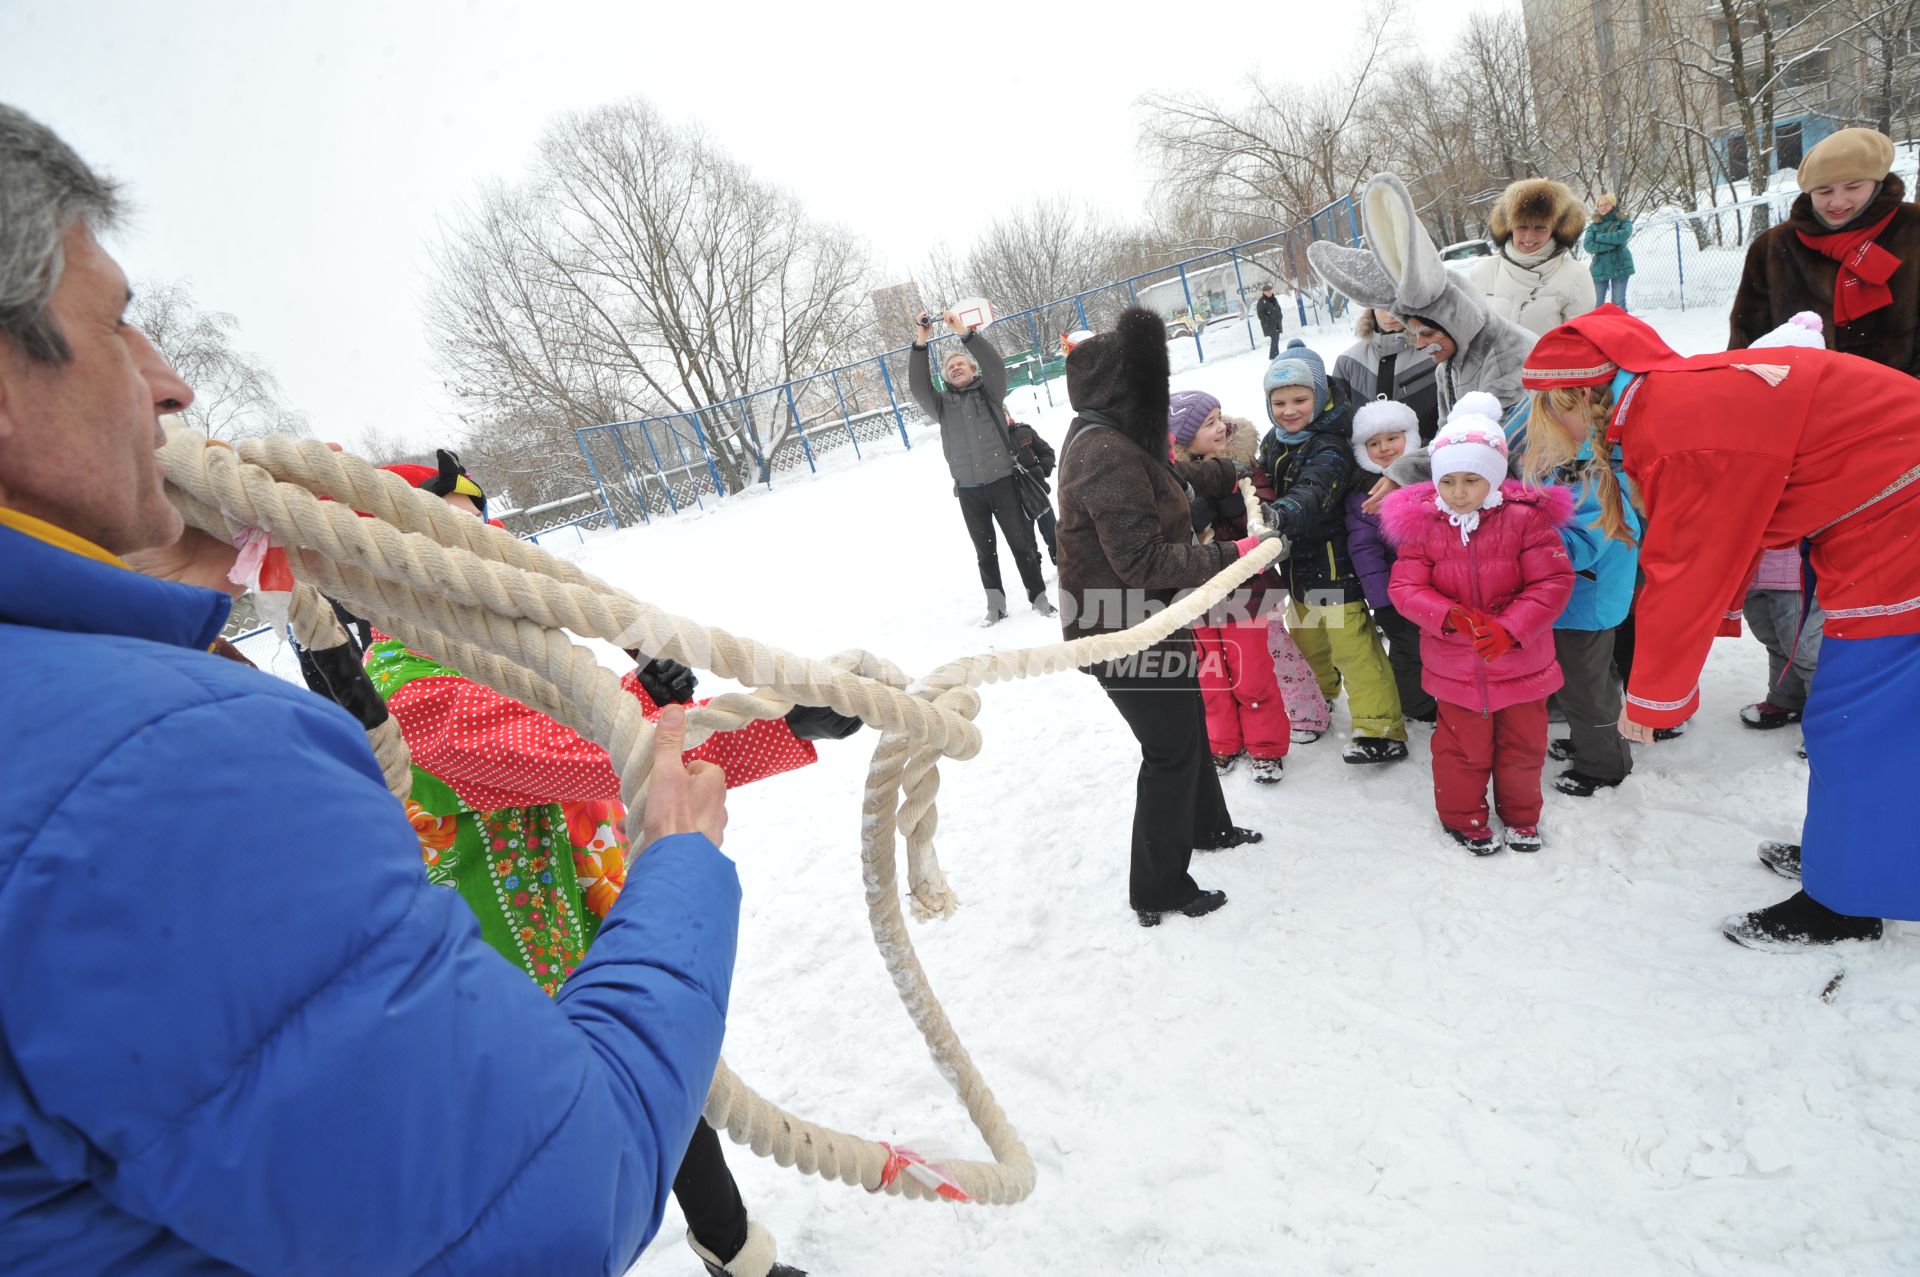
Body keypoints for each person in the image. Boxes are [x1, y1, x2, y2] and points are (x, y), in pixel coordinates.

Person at [0, 103, 735, 1274]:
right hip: (526, 965)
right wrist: (699, 820)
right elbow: (558, 759)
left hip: (550, 956)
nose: (169, 379)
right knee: (645, 1101)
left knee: (667, 1097)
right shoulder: (260, 735)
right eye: (119, 327)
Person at [355, 459, 842, 1277]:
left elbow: (580, 715)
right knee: (549, 1159)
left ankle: (733, 1252)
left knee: (667, 1089)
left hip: (592, 918)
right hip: (506, 978)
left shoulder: (500, 654)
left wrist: (645, 688)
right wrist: (776, 725)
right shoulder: (413, 695)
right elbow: (582, 750)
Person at [1519, 304, 1920, 947]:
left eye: (1550, 416)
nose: (1556, 436)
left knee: (1857, 719)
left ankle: (1848, 899)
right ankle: (1859, 861)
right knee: (1876, 723)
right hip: (1885, 517)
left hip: (1899, 527)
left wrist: (1651, 697)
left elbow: (1688, 565)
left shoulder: (1675, 425)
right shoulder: (1667, 400)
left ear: (1578, 398)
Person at [1055, 308, 1273, 926]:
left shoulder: (1115, 433)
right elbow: (1142, 560)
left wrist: (1226, 469)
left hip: (1146, 617)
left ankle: (1208, 827)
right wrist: (1234, 553)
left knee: (1188, 730)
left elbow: (1170, 473)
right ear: (1127, 389)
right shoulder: (1103, 451)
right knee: (1170, 749)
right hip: (1118, 629)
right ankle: (1159, 887)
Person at [1382, 421, 1576, 854]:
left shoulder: (1525, 520)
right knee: (1461, 749)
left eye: (1472, 479)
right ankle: (1463, 816)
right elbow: (1405, 587)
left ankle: (1522, 817)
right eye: (1448, 481)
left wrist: (1510, 628)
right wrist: (1446, 615)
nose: (1459, 492)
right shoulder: (1426, 527)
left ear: (1494, 475)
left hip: (1522, 664)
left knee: (1523, 747)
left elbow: (1553, 582)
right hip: (1455, 668)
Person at [1256, 339, 1408, 764]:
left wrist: (1279, 514)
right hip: (1296, 569)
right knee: (1308, 641)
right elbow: (1264, 476)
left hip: (1331, 565)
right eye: (1279, 401)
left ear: (1319, 397)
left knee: (1351, 647)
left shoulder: (1329, 443)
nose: (1289, 410)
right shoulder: (1275, 439)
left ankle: (1380, 725)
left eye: (1300, 399)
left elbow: (1315, 490)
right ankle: (1316, 697)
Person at [1309, 173, 1538, 419]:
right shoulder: (1447, 367)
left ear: (1455, 322)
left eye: (1427, 333)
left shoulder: (1507, 356)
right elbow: (1446, 436)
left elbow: (1496, 444)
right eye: (1417, 334)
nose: (1419, 344)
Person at [1168, 389, 1291, 782]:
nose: (1220, 427)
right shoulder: (1173, 480)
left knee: (1252, 676)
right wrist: (1192, 515)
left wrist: (1241, 512)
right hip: (1196, 597)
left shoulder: (1244, 464)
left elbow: (1267, 517)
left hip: (1245, 592)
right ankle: (1222, 743)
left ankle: (1266, 747)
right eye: (1208, 423)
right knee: (1211, 678)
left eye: (1219, 417)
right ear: (1184, 439)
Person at [1729, 128, 1920, 376]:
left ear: (1876, 182)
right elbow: (1747, 337)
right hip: (1804, 402)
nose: (1838, 202)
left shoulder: (1912, 229)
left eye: (1853, 187)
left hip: (1902, 400)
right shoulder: (1772, 246)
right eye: (1824, 191)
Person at [908, 309, 1052, 625]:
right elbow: (918, 386)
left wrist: (964, 332)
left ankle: (1039, 597)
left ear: (973, 370)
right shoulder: (941, 405)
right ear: (945, 377)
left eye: (961, 363)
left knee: (1022, 544)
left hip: (1003, 483)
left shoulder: (990, 394)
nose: (956, 367)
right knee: (985, 554)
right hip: (969, 491)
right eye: (950, 367)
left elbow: (995, 365)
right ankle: (996, 607)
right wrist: (922, 339)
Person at [1345, 398, 1436, 724]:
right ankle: (1417, 703)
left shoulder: (1436, 480)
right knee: (1408, 650)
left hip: (1442, 588)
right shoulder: (1364, 495)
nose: (1384, 448)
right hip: (1399, 595)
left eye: (1392, 438)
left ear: (1410, 438)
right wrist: (1382, 602)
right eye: (1374, 443)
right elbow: (1365, 551)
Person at [1468, 178, 1597, 336]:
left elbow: (1580, 340)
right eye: (1521, 226)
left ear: (1554, 230)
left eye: (1540, 227)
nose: (1529, 236)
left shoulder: (1575, 276)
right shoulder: (1483, 272)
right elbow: (1469, 331)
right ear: (1509, 228)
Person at [1333, 306, 1440, 440]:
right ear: (1371, 308)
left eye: (1396, 308)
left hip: (1427, 456)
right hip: (1363, 459)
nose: (1390, 315)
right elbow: (1337, 425)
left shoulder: (1434, 356)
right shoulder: (1348, 362)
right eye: (1382, 308)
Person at [1005, 409, 1059, 563]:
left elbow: (1047, 453)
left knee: (1053, 533)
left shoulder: (1024, 432)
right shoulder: (993, 442)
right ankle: (1036, 573)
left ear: (1008, 415)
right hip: (1014, 499)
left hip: (1037, 492)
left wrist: (1041, 470)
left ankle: (1063, 565)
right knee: (1027, 543)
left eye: (1003, 415)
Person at [1584, 193, 1635, 311]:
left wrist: (1601, 238)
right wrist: (1612, 245)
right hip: (1600, 267)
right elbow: (1588, 246)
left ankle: (1620, 328)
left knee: (1618, 304)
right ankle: (1597, 329)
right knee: (1596, 305)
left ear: (1612, 205)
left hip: (1620, 264)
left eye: (1606, 204)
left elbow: (1623, 236)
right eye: (1600, 205)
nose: (1603, 207)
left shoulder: (1623, 220)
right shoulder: (1593, 226)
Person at [1256, 281, 1285, 358]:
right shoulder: (1261, 301)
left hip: (1277, 323)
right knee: (1275, 338)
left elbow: (1278, 309)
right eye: (1267, 291)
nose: (1269, 292)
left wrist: (1280, 316)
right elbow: (1260, 314)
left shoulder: (1274, 299)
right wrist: (1268, 320)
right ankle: (1273, 356)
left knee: (1276, 339)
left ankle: (1276, 355)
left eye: (1270, 291)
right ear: (1264, 292)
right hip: (1269, 325)